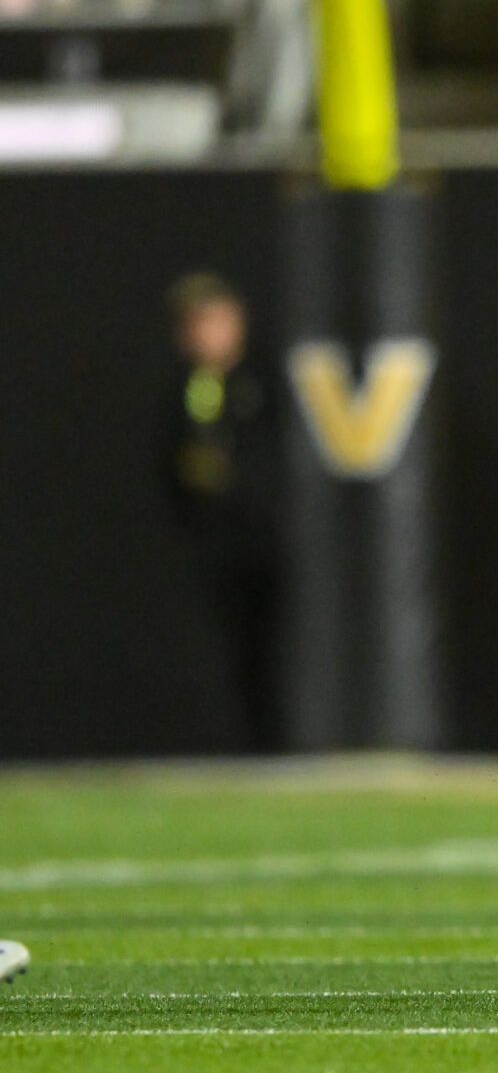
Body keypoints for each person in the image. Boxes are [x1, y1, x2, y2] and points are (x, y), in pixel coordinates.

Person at [159, 273, 283, 751]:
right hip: (219, 546)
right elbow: (172, 468)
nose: (205, 333)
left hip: (272, 545)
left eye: (213, 319)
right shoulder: (187, 390)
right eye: (195, 324)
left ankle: (285, 748)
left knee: (276, 648)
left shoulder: (268, 379)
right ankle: (241, 749)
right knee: (230, 652)